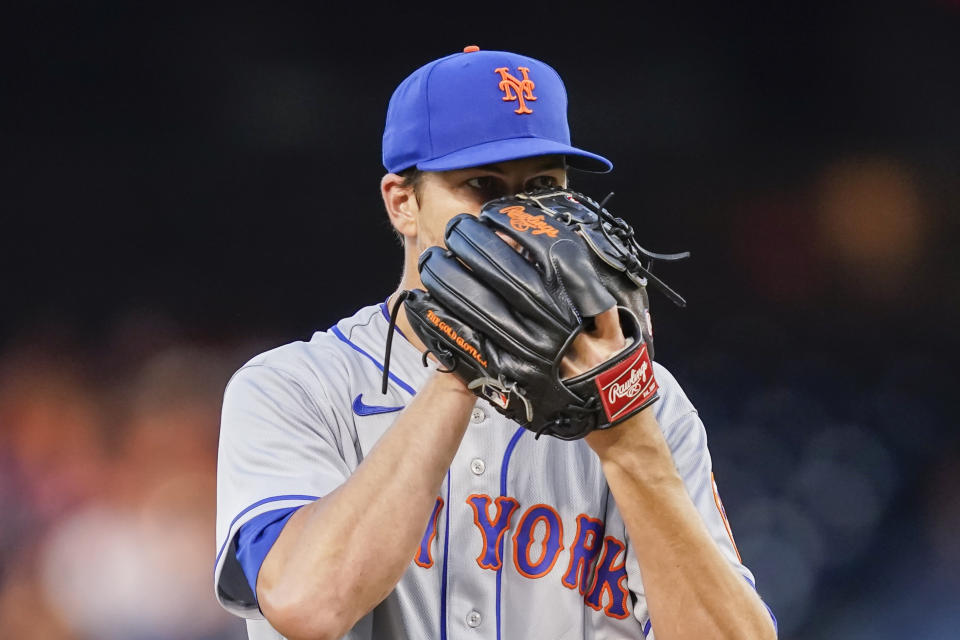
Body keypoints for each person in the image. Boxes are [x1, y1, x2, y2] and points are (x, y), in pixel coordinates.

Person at [214, 46, 778, 640]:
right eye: (483, 187)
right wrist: (464, 370)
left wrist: (631, 441)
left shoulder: (648, 400)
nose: (519, 218)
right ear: (403, 204)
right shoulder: (297, 388)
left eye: (541, 187)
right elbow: (307, 604)